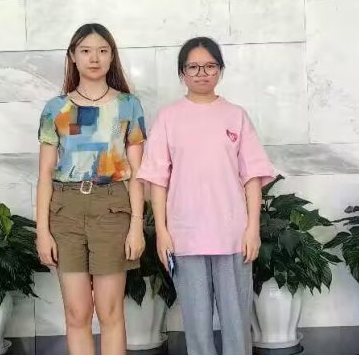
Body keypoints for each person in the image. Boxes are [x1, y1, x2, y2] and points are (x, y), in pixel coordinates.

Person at [138, 37, 275, 356]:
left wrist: (252, 229)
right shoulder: (168, 117)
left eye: (210, 66)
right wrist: (162, 232)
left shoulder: (236, 115)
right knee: (196, 322)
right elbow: (157, 180)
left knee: (236, 320)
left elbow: (252, 177)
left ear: (220, 70)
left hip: (233, 235)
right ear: (182, 73)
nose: (202, 73)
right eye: (193, 67)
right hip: (185, 236)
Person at [36, 23, 147, 356]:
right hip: (65, 210)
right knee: (76, 313)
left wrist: (137, 226)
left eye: (102, 50)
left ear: (112, 57)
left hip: (112, 208)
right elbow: (44, 174)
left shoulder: (128, 105)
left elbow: (138, 173)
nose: (94, 58)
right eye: (85, 51)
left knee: (110, 312)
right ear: (73, 56)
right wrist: (42, 231)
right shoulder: (56, 108)